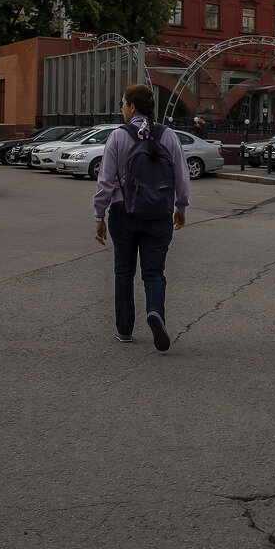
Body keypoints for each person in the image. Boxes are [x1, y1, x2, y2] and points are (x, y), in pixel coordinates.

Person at [94, 84, 191, 351]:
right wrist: (180, 209)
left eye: (123, 104)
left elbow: (105, 180)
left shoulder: (117, 136)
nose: (122, 109)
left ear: (133, 107)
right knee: (154, 273)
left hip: (123, 213)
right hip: (159, 214)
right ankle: (155, 313)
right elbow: (182, 177)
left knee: (123, 272)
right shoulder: (168, 135)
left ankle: (124, 330)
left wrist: (98, 214)